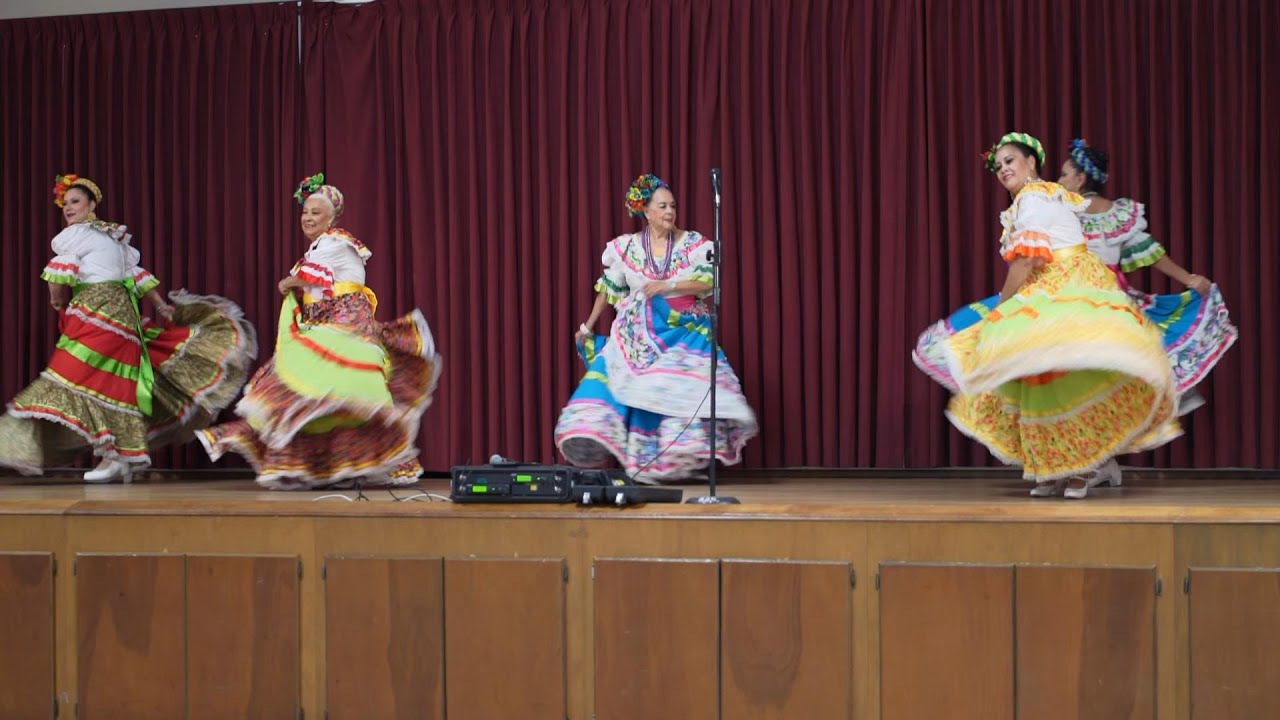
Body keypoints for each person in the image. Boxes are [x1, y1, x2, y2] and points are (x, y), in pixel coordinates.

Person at [913, 133, 1180, 498]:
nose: (1003, 169)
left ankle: (1083, 467)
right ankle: (1060, 466)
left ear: (1031, 162)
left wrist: (1001, 310)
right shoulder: (1032, 199)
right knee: (1041, 378)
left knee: (1064, 377)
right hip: (1049, 287)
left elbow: (1026, 260)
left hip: (1065, 287)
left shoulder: (1036, 198)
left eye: (1010, 161)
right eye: (998, 165)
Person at [0, 173, 258, 482]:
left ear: (91, 203)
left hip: (98, 314)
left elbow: (60, 277)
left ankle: (103, 454)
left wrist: (57, 303)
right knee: (114, 383)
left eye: (75, 201)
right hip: (121, 320)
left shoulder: (78, 236)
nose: (68, 208)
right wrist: (161, 306)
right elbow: (134, 276)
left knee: (75, 376)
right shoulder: (114, 238)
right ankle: (122, 456)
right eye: (65, 204)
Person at [198, 173, 442, 490]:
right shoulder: (322, 245)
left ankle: (343, 462)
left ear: (332, 216)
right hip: (328, 325)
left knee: (327, 390)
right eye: (305, 212)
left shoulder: (335, 242)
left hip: (345, 328)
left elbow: (312, 275)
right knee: (318, 395)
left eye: (316, 212)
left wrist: (288, 283)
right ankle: (330, 465)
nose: (308, 218)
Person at [554, 174, 757, 483]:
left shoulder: (692, 243)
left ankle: (672, 460)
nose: (669, 212)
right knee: (630, 388)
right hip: (638, 334)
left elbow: (709, 280)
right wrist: (587, 326)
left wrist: (669, 285)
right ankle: (631, 456)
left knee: (673, 392)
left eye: (672, 206)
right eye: (662, 206)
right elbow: (609, 290)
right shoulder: (626, 248)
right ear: (645, 211)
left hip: (682, 331)